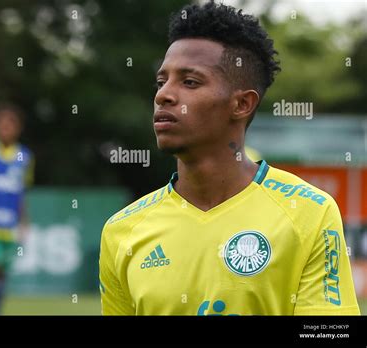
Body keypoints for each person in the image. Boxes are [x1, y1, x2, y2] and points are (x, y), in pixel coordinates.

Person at [99, 1, 360, 315]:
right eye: (161, 81)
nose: (163, 95)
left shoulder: (309, 212)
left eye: (190, 82)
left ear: (242, 104)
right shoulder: (121, 230)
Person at [0, 104, 33, 315]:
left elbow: (22, 192)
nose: (5, 128)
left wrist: (24, 222)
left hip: (9, 225)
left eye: (10, 125)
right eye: (2, 124)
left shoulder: (25, 156)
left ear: (17, 128)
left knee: (1, 273)